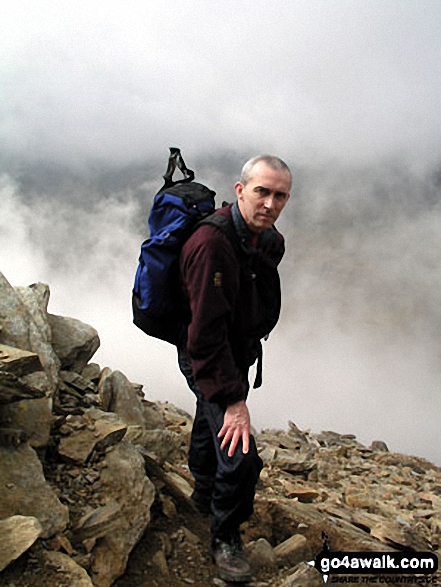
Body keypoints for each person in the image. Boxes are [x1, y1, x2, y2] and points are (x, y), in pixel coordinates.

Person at [178, 155, 291, 583]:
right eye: (262, 191)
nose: (270, 203)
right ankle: (225, 536)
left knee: (211, 423)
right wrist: (233, 399)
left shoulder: (266, 240)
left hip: (234, 350)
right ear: (240, 190)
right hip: (203, 352)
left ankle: (203, 493)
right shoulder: (211, 245)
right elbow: (204, 336)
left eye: (280, 195)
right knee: (241, 452)